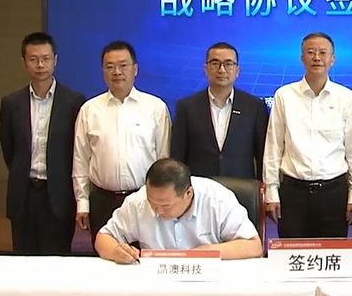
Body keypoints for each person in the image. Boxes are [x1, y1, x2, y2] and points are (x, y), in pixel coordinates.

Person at [263, 32, 352, 238]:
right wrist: (271, 192)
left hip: (334, 193)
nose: (317, 58)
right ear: (302, 58)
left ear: (332, 59)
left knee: (333, 254)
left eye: (322, 53)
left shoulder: (347, 97)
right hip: (293, 193)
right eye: (311, 52)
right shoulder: (284, 95)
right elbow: (273, 147)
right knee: (292, 253)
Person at [73, 40, 171, 254]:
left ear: (135, 69)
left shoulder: (155, 107)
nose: (117, 72)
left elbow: (164, 160)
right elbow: (80, 161)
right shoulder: (90, 109)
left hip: (144, 201)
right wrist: (82, 204)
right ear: (103, 71)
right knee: (105, 258)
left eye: (123, 65)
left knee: (144, 259)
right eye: (110, 66)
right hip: (102, 201)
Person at [0, 32, 86, 255]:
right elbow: (9, 148)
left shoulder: (74, 102)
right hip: (24, 195)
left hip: (58, 195)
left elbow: (78, 150)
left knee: (57, 260)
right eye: (34, 59)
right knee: (23, 259)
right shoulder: (11, 103)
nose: (40, 65)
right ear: (24, 62)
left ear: (55, 60)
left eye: (46, 59)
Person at [95, 158, 263, 263]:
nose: (157, 210)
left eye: (165, 205)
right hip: (156, 285)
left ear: (188, 193)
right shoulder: (138, 202)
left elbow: (253, 246)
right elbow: (103, 238)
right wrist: (116, 251)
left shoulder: (217, 200)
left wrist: (206, 253)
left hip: (211, 283)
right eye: (152, 203)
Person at [171, 42, 269, 179]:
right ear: (206, 69)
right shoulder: (186, 107)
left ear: (237, 71)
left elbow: (262, 155)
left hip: (242, 187)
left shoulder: (255, 107)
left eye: (228, 64)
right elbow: (177, 156)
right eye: (215, 63)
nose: (222, 70)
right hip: (199, 187)